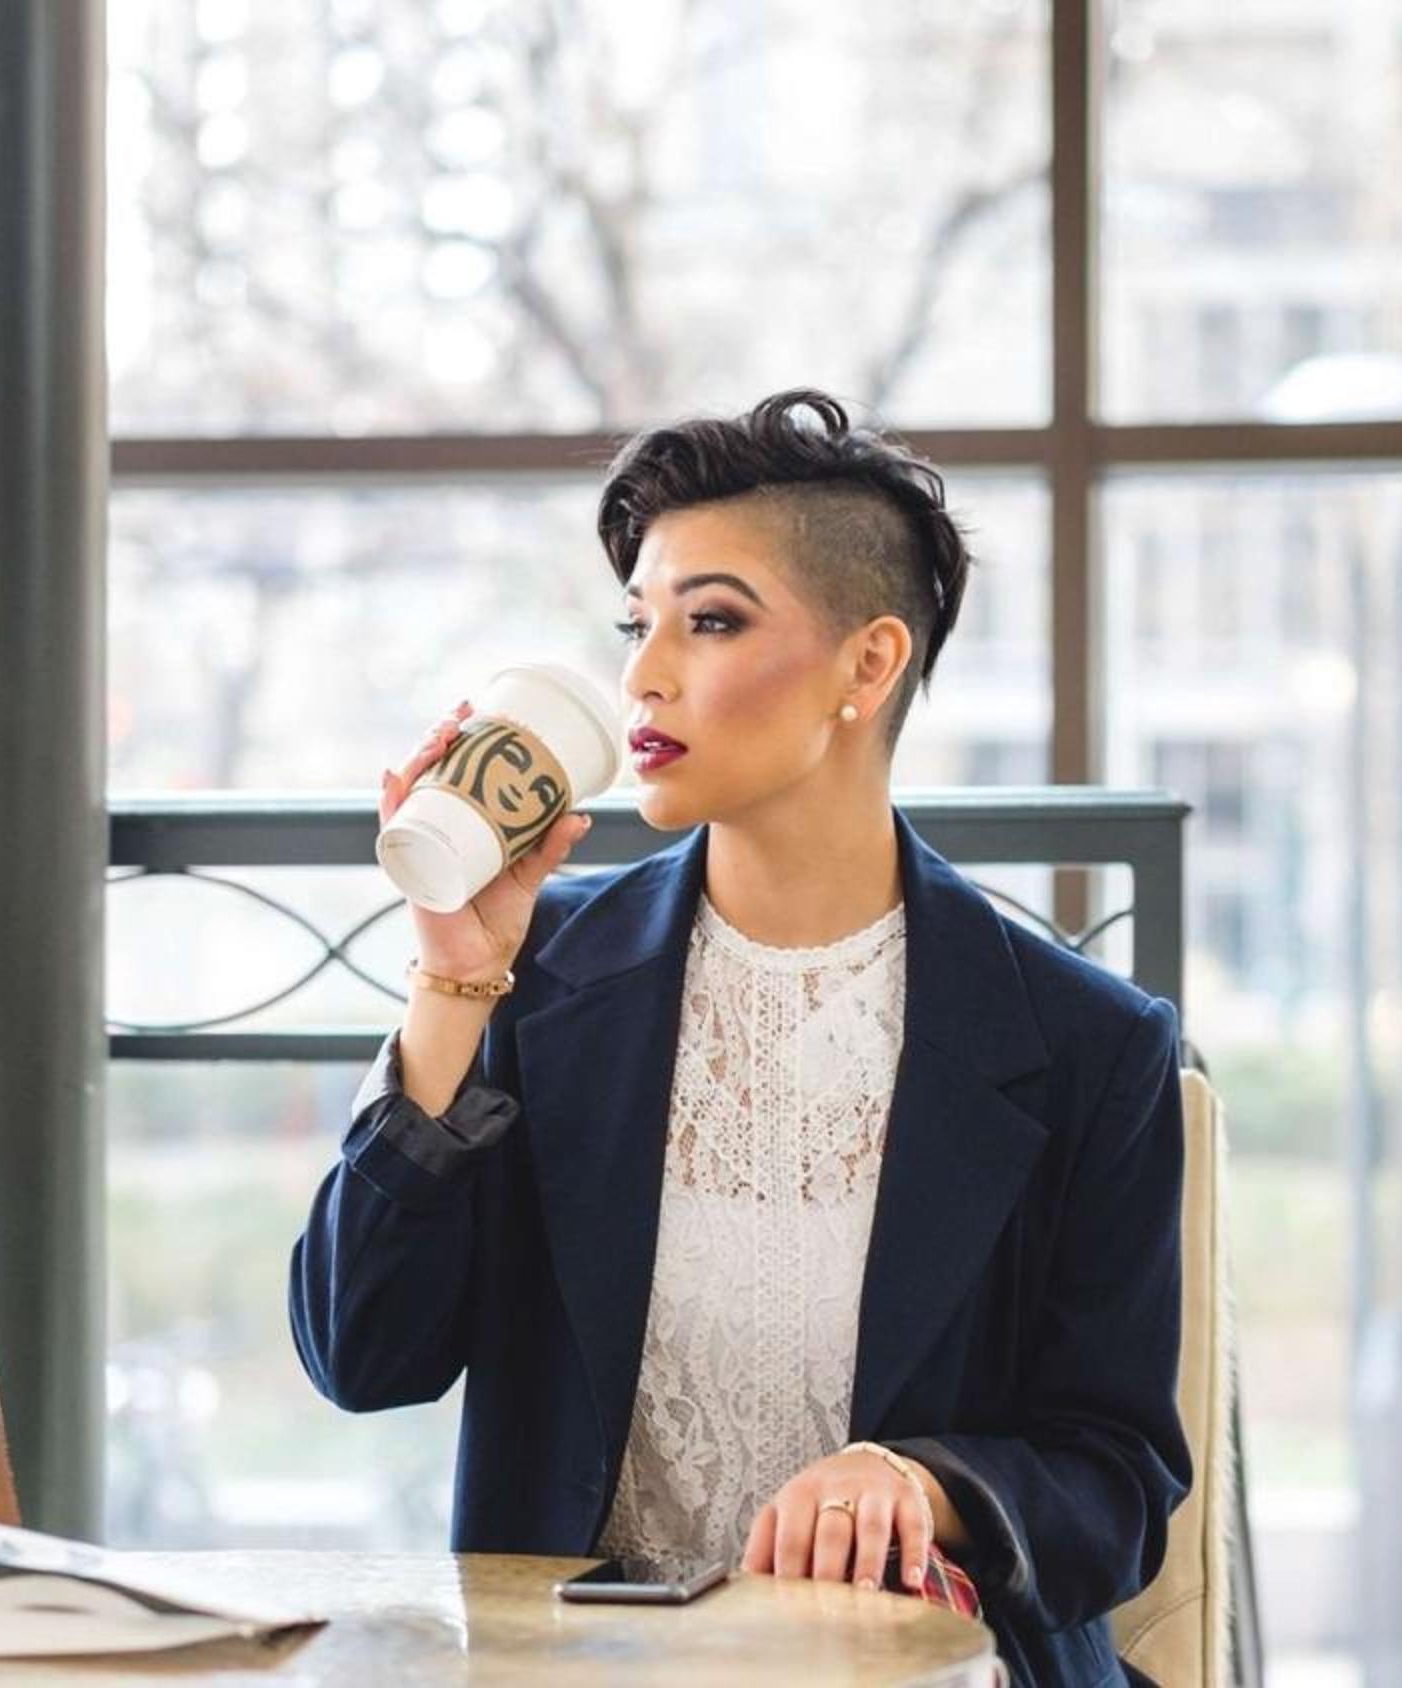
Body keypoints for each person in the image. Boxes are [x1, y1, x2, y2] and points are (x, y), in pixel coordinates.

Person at [290, 389, 1190, 1687]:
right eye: (638, 625)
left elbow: (1119, 1483)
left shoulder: (1088, 1044)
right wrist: (454, 983)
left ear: (868, 666)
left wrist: (923, 1485)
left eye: (710, 621)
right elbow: (361, 1356)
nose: (643, 675)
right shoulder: (534, 975)